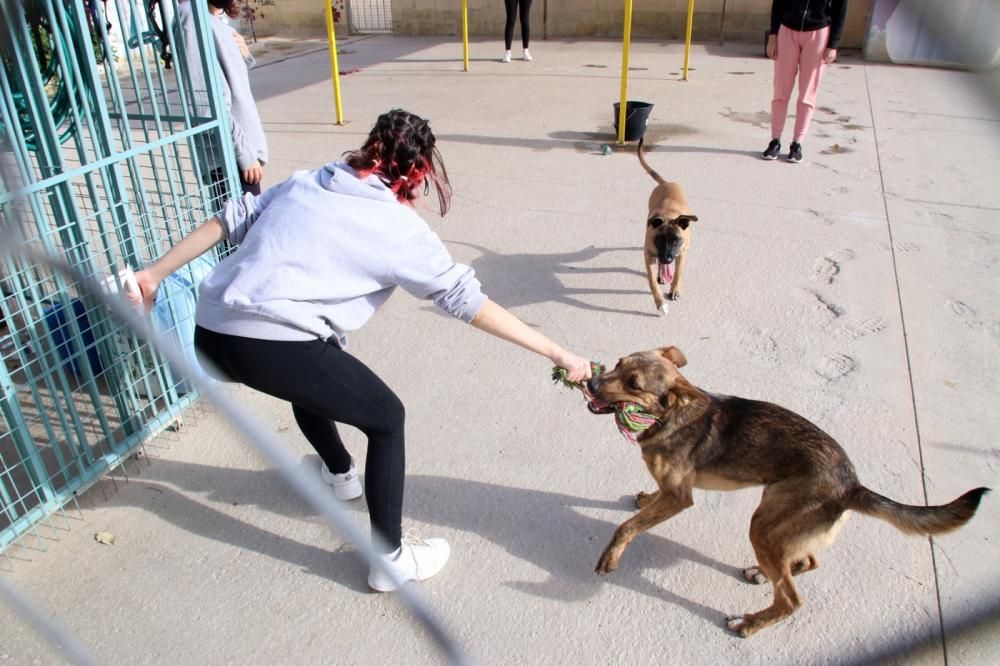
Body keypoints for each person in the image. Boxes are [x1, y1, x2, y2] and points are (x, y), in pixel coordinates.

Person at [130, 109, 592, 592]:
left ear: (371, 146)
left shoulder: (311, 180)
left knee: (315, 358)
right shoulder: (398, 227)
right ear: (420, 172)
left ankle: (341, 474)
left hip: (212, 335)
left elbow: (233, 217)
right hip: (267, 346)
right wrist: (557, 351)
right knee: (386, 417)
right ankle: (389, 560)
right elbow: (467, 300)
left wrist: (152, 275)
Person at [175, 0, 268, 207]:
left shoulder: (214, 18)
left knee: (247, 233)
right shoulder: (192, 15)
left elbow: (231, 79)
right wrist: (244, 153)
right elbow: (205, 99)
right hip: (228, 157)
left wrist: (246, 56)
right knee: (243, 235)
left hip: (240, 152)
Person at [762, 0, 848, 163]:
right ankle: (775, 141)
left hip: (818, 33)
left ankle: (797, 143)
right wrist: (773, 34)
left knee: (807, 94)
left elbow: (840, 8)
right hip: (787, 30)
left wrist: (833, 44)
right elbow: (778, 2)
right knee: (781, 90)